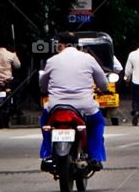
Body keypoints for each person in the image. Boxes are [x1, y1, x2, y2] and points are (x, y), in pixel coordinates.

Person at [39, 31, 110, 173]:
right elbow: (103, 83)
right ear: (77, 45)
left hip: (56, 107)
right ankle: (95, 157)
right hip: (84, 107)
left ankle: (47, 153)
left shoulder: (52, 61)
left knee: (45, 121)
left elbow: (43, 85)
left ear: (60, 45)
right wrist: (104, 88)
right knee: (97, 123)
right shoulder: (88, 59)